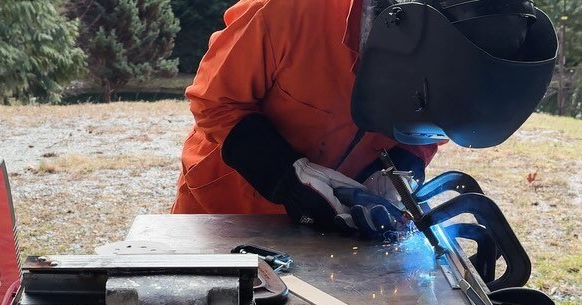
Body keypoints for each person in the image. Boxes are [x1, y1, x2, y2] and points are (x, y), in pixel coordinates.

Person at [171, 0, 557, 239]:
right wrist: (285, 176)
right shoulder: (288, 10)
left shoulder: (453, 51)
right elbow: (214, 102)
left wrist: (399, 171)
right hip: (226, 215)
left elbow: (427, 128)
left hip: (331, 232)